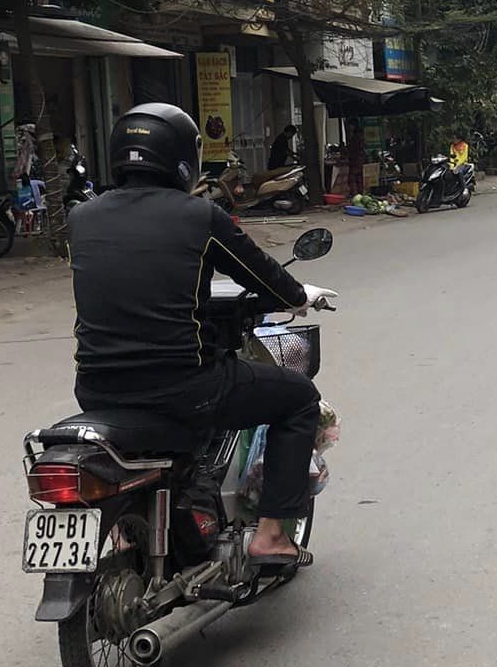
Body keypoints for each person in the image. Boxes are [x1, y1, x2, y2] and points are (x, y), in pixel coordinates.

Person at [67, 104, 317, 571]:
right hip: (183, 388)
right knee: (299, 398)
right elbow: (259, 272)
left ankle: (138, 526)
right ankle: (271, 536)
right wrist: (298, 296)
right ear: (183, 158)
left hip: (96, 390)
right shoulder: (199, 216)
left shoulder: (82, 217)